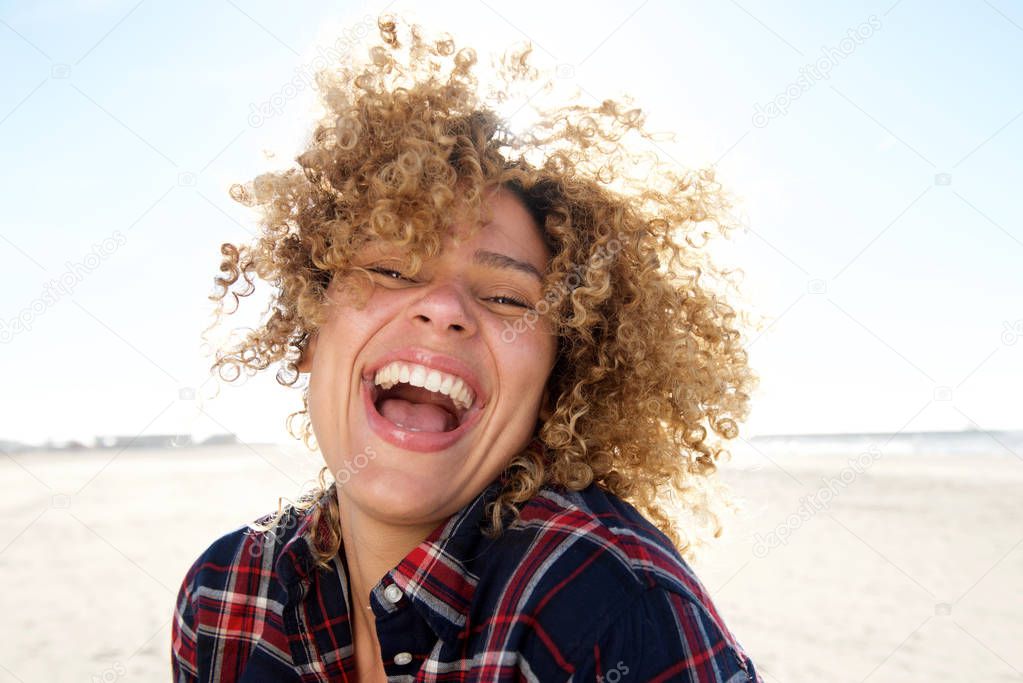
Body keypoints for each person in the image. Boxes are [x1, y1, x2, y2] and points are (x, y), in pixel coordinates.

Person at [172, 14, 763, 682]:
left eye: (507, 299)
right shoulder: (227, 597)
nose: (445, 309)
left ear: (558, 380)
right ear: (309, 329)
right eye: (393, 270)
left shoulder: (610, 610)